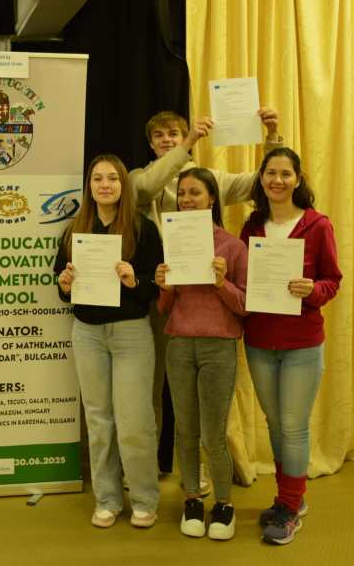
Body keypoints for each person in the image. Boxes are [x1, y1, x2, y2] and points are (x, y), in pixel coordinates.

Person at [130, 109, 281, 483]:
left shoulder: (210, 178)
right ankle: (151, 467)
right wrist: (188, 144)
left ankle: (211, 464)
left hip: (210, 303)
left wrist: (272, 136)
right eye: (160, 135)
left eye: (175, 133)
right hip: (164, 296)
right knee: (154, 386)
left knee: (207, 393)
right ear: (150, 143)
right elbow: (146, 190)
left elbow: (258, 184)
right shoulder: (139, 178)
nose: (168, 140)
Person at [53, 154, 163, 529]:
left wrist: (136, 281)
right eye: (98, 178)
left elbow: (157, 286)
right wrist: (64, 284)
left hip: (131, 333)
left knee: (134, 421)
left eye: (113, 178)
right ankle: (108, 498)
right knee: (99, 421)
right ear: (89, 186)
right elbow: (61, 285)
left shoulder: (143, 229)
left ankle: (144, 498)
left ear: (123, 185)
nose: (105, 185)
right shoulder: (74, 231)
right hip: (87, 334)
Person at [239, 147, 341, 545]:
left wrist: (312, 290)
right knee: (275, 423)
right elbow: (243, 279)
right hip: (260, 341)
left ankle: (289, 507)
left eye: (285, 173)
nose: (277, 180)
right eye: (270, 173)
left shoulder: (317, 225)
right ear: (261, 179)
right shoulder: (252, 225)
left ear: (298, 179)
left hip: (301, 344)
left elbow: (332, 280)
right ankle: (290, 499)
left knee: (294, 426)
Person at [154, 168, 247, 540]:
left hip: (218, 347)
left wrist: (222, 283)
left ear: (211, 199)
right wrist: (165, 286)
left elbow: (246, 305)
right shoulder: (172, 242)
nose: (187, 199)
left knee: (213, 433)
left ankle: (223, 504)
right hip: (179, 344)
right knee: (185, 430)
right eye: (182, 194)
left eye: (195, 193)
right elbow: (164, 307)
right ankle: (192, 498)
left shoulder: (232, 246)